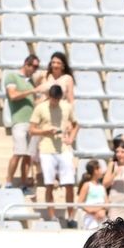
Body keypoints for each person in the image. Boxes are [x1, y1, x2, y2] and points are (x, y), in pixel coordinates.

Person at [29, 87, 77, 224]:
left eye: (57, 99)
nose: (55, 102)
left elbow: (76, 124)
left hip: (63, 147)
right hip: (46, 148)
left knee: (69, 183)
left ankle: (71, 217)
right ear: (49, 96)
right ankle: (52, 216)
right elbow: (31, 130)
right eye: (52, 98)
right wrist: (45, 130)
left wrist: (71, 138)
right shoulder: (40, 108)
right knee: (49, 184)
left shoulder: (66, 107)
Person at [3, 54, 40, 190]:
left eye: (37, 67)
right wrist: (32, 90)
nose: (35, 70)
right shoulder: (12, 77)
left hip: (32, 122)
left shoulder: (31, 81)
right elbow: (12, 95)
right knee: (19, 152)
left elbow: (33, 101)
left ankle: (24, 184)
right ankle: (8, 182)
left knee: (28, 156)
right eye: (33, 66)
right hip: (19, 121)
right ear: (26, 64)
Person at [77, 159, 108, 231]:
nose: (101, 171)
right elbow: (80, 203)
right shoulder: (87, 185)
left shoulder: (101, 187)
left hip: (102, 217)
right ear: (95, 170)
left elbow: (107, 203)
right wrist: (93, 212)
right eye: (99, 168)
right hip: (90, 218)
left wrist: (102, 211)